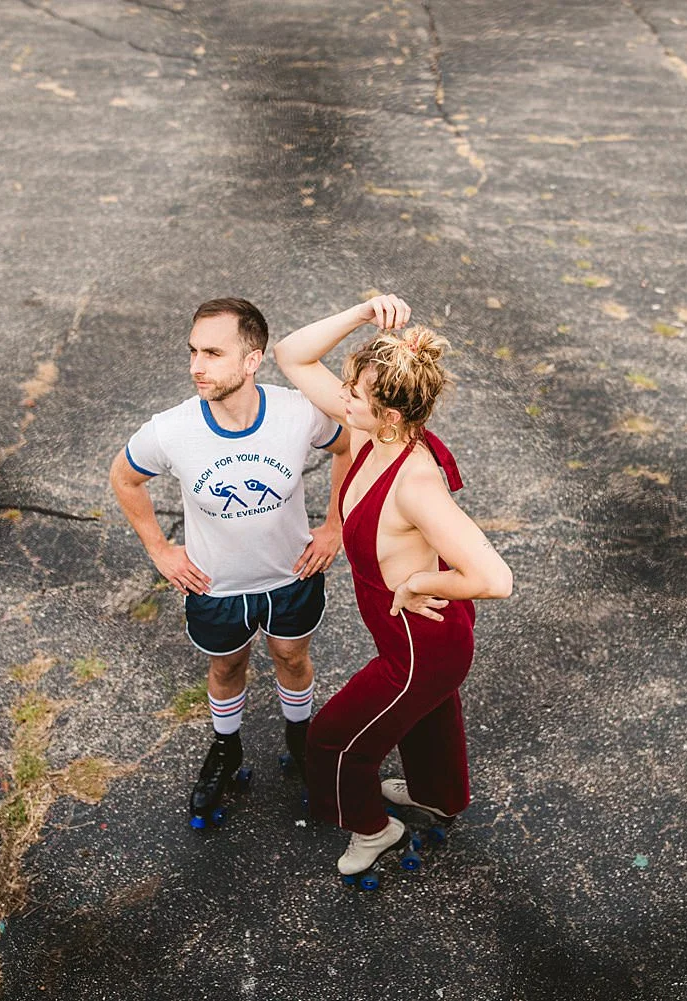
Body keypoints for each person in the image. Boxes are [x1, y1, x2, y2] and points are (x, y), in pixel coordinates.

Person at [272, 293, 512, 881]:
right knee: (428, 717)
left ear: (392, 414)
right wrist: (358, 313)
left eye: (354, 392)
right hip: (410, 639)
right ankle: (439, 796)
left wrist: (417, 584)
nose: (342, 398)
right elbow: (291, 356)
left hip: (420, 645)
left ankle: (375, 827)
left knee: (332, 741)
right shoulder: (368, 431)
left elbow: (495, 579)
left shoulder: (416, 483)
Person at [109, 297, 352, 828]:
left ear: (251, 360)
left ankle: (300, 741)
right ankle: (227, 749)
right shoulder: (171, 430)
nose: (197, 366)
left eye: (213, 353)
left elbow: (347, 447)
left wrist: (335, 525)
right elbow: (124, 478)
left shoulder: (296, 411)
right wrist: (159, 549)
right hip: (216, 585)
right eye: (194, 352)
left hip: (291, 575)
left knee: (291, 658)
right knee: (226, 666)